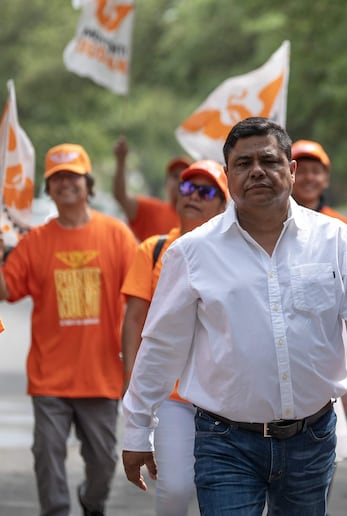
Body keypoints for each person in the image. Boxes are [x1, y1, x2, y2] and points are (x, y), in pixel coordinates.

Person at [121, 117, 347, 516]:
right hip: (224, 442)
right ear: (228, 176)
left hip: (313, 439)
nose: (256, 172)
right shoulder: (193, 252)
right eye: (243, 163)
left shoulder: (335, 240)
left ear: (291, 169)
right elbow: (162, 345)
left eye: (268, 161)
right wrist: (137, 428)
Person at [0, 143, 137, 516]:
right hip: (50, 378)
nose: (65, 184)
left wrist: (133, 367)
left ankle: (92, 503)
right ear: (49, 187)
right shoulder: (35, 242)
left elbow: (140, 300)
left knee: (103, 464)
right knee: (47, 456)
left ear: (87, 183)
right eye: (57, 178)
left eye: (72, 176)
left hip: (101, 376)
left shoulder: (117, 236)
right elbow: (8, 289)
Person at [120, 160, 229, 516]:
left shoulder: (236, 255)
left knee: (226, 492)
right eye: (187, 188)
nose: (193, 196)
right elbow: (135, 321)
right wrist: (135, 388)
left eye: (206, 191)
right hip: (174, 395)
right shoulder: (154, 249)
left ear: (225, 205)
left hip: (225, 398)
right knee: (175, 488)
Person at [113, 135, 190, 241]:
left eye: (184, 178)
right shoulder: (151, 210)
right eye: (175, 176)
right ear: (166, 183)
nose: (179, 181)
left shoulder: (197, 217)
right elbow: (121, 196)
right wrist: (121, 162)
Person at [291, 139, 347, 227]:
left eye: (316, 171)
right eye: (301, 171)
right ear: (288, 175)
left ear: (326, 179)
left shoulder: (340, 225)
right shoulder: (274, 221)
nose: (309, 178)